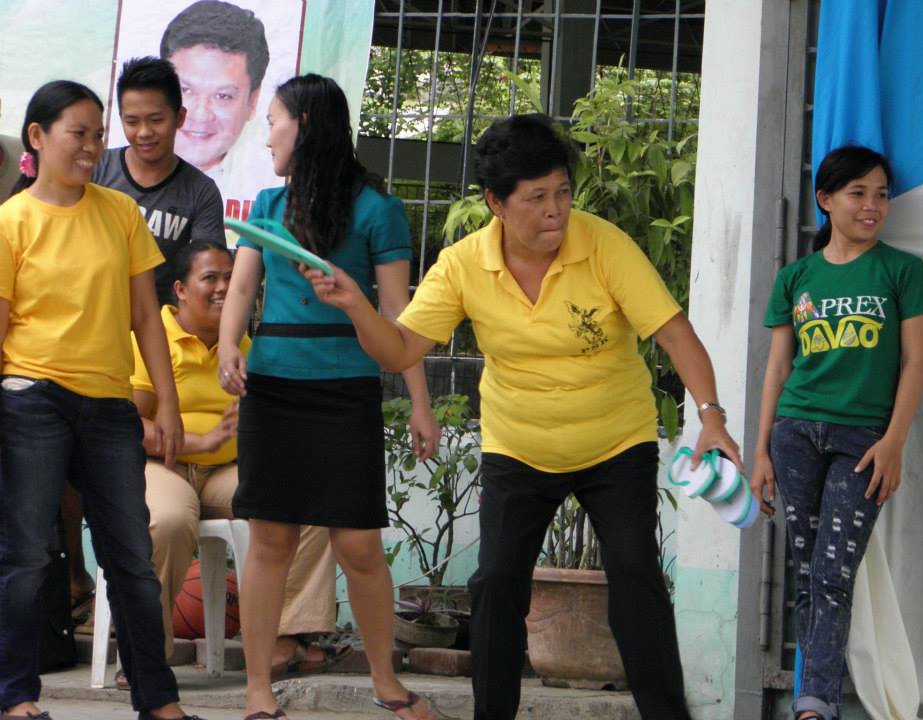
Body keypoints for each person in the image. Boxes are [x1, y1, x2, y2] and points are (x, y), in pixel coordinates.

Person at [302, 113, 743, 720]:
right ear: (496, 203)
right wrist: (357, 306)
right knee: (495, 584)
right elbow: (400, 349)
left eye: (562, 193)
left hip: (616, 440)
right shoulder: (462, 264)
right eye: (536, 198)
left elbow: (675, 335)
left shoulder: (604, 245)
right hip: (519, 444)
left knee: (637, 577)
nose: (555, 211)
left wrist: (711, 416)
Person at [217, 74, 440, 720]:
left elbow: (403, 320)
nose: (267, 138)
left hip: (347, 392)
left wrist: (420, 403)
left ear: (306, 126)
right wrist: (231, 343)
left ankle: (385, 680)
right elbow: (240, 289)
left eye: (275, 123)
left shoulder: (378, 209)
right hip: (275, 389)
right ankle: (257, 688)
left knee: (359, 547)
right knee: (270, 541)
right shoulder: (265, 205)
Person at [0, 80, 204, 720]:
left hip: (110, 407)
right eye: (76, 134)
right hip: (30, 399)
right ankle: (15, 697)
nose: (91, 147)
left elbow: (147, 315)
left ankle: (158, 701)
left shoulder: (119, 212)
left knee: (132, 560)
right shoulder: (11, 221)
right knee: (27, 556)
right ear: (37, 137)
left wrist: (165, 405)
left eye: (96, 135)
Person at [750, 146, 923, 720]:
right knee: (810, 573)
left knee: (834, 572)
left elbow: (914, 364)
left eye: (881, 194)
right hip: (795, 435)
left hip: (863, 440)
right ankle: (817, 703)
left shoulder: (902, 271)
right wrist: (760, 450)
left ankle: (817, 703)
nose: (873, 205)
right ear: (826, 199)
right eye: (858, 193)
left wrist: (895, 441)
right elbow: (779, 368)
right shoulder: (797, 278)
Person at [125, 241, 345, 686]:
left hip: (225, 474)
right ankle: (148, 655)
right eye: (211, 278)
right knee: (167, 520)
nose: (224, 287)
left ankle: (285, 637)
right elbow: (131, 426)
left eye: (231, 277)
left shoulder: (245, 345)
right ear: (181, 290)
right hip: (160, 466)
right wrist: (201, 441)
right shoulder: (151, 339)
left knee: (306, 500)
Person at [93, 56, 225, 305]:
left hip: (161, 327)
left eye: (156, 120)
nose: (144, 132)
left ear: (180, 117)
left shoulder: (201, 192)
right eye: (132, 121)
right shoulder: (96, 170)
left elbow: (207, 273)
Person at [160, 1, 268, 182]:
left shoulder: (268, 181)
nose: (201, 115)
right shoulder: (115, 165)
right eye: (185, 90)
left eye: (223, 96)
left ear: (252, 101)